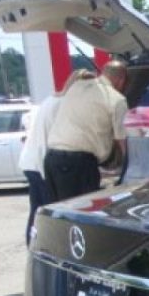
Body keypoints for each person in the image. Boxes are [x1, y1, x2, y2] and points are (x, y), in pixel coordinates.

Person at [18, 69, 96, 245]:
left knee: (37, 210)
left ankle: (32, 245)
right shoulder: (65, 105)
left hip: (30, 162)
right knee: (51, 214)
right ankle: (49, 250)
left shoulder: (51, 99)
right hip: (43, 164)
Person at [44, 59, 128, 201]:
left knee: (59, 211)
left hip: (52, 159)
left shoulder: (77, 86)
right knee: (82, 211)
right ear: (121, 80)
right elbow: (122, 140)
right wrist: (129, 164)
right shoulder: (117, 99)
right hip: (78, 164)